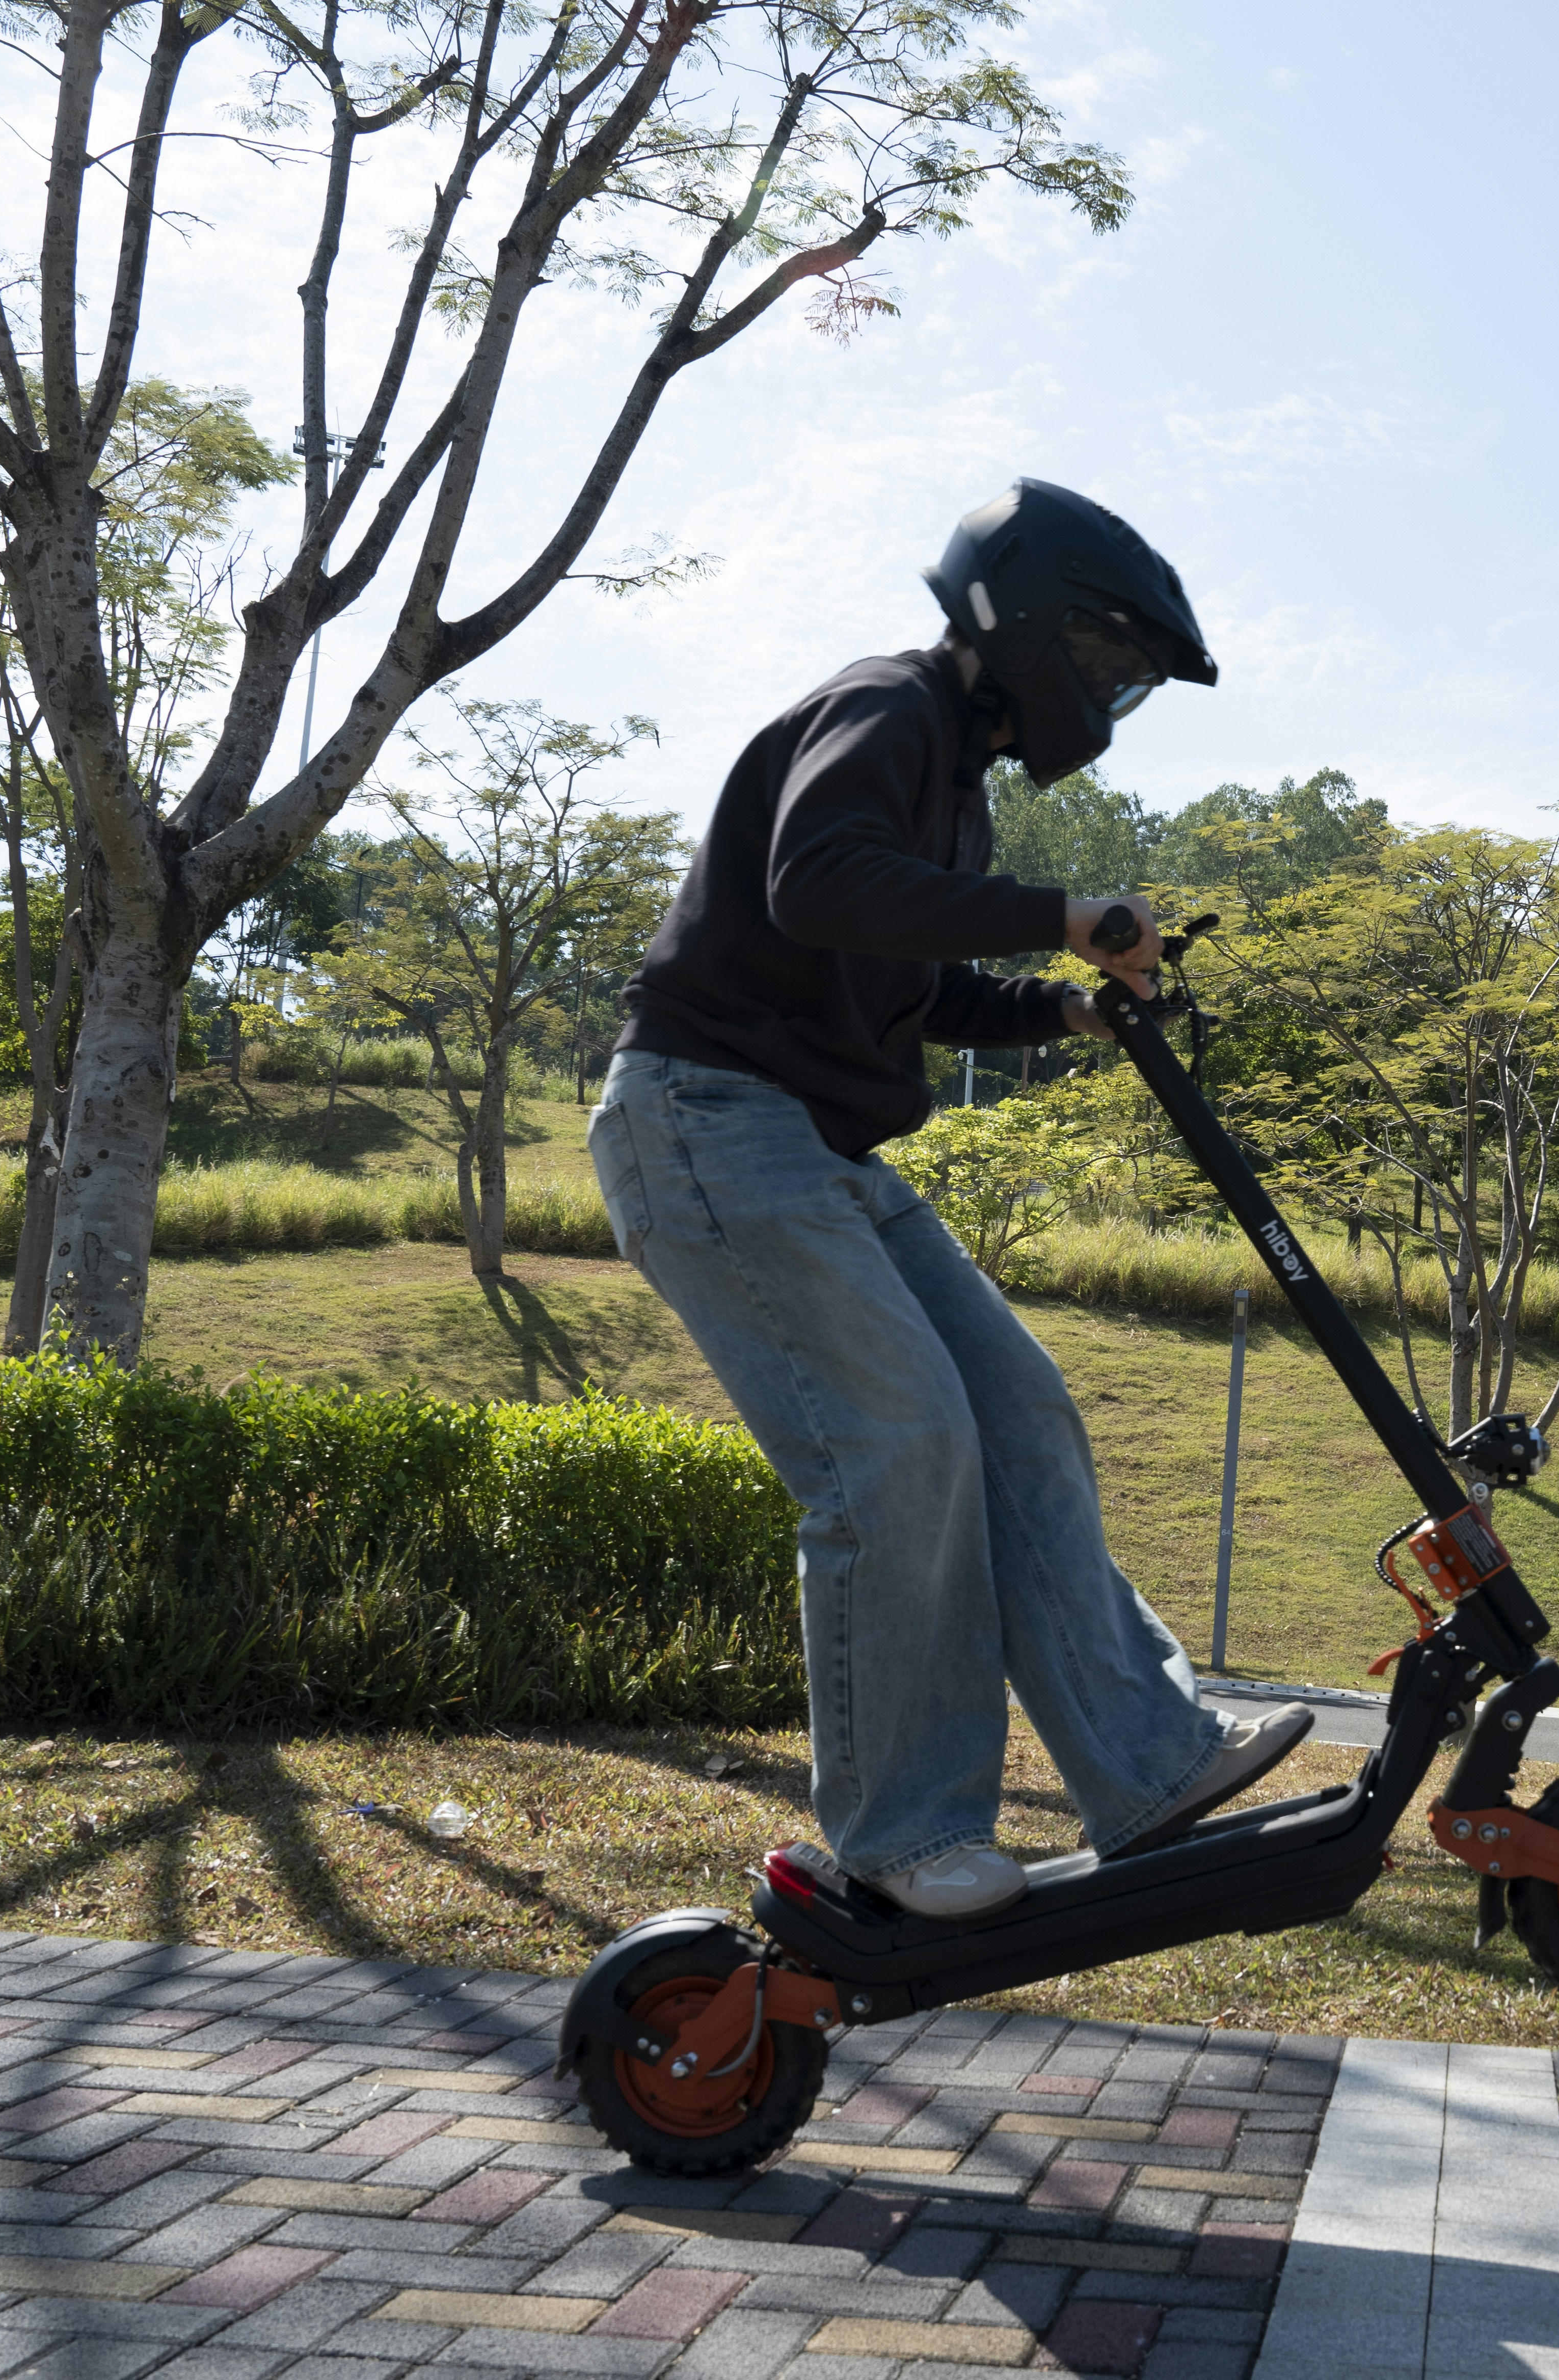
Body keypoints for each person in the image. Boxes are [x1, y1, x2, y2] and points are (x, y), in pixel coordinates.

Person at [589, 480, 1310, 1921]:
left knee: (1020, 1407)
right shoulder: (889, 706)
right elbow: (822, 882)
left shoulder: (957, 800)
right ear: (1030, 630)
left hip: (820, 1145)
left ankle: (1148, 1759)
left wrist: (1065, 1010)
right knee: (899, 1445)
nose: (1110, 695)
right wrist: (1063, 914)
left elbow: (911, 977)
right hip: (707, 1120)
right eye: (1108, 665)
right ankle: (904, 1835)